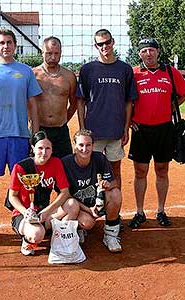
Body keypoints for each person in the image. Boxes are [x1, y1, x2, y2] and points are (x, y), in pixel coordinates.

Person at [0, 29, 42, 244]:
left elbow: (33, 104)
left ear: (15, 45)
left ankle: (25, 221)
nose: (5, 47)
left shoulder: (25, 72)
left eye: (9, 43)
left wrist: (35, 137)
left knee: (24, 182)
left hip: (20, 136)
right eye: (1, 43)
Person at [128, 38, 185, 229]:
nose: (148, 53)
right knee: (140, 172)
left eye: (152, 50)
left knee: (162, 170)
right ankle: (139, 212)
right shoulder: (134, 73)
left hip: (164, 129)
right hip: (141, 130)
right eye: (144, 50)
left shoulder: (170, 72)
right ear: (140, 54)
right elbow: (126, 99)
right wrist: (129, 120)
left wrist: (172, 107)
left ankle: (161, 210)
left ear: (158, 52)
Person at [77, 29, 137, 189]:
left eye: (107, 42)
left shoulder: (125, 69)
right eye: (100, 44)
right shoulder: (87, 69)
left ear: (113, 42)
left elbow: (129, 102)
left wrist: (125, 129)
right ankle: (92, 210)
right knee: (91, 171)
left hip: (115, 131)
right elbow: (80, 101)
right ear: (96, 46)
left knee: (115, 171)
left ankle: (114, 212)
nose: (105, 46)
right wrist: (83, 129)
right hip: (93, 132)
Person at [9, 131, 79, 256]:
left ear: (52, 150)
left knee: (72, 205)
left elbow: (65, 192)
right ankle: (27, 241)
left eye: (48, 148)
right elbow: (12, 196)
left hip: (44, 212)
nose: (44, 152)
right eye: (40, 148)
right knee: (36, 235)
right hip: (23, 214)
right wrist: (26, 212)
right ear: (33, 148)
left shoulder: (56, 163)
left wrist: (48, 211)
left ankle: (59, 235)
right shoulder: (21, 167)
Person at [62, 129, 123, 253]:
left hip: (95, 203)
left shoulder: (100, 158)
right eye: (81, 145)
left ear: (93, 145)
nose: (84, 149)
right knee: (87, 223)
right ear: (74, 145)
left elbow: (115, 182)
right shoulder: (65, 163)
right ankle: (77, 227)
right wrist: (88, 209)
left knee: (115, 193)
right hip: (76, 206)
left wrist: (108, 185)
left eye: (88, 145)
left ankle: (111, 235)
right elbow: (65, 195)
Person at [33, 36, 77, 158]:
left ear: (61, 53)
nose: (52, 57)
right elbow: (27, 103)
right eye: (49, 53)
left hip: (61, 131)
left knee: (65, 168)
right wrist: (34, 124)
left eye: (56, 53)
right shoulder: (33, 75)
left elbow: (74, 104)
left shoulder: (69, 76)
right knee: (40, 168)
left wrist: (62, 121)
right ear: (42, 53)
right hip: (39, 129)